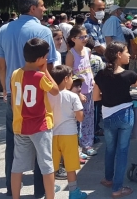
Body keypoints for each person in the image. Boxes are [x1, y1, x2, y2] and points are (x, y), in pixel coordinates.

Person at [0, 0, 59, 197]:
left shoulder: (4, 29)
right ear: (33, 7)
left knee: (14, 144)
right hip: (38, 94)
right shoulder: (43, 31)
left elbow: (2, 63)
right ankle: (42, 191)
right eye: (42, 5)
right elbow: (47, 67)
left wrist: (4, 89)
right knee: (41, 147)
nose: (44, 8)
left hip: (14, 93)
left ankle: (11, 188)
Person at [10, 38, 60, 199]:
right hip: (41, 125)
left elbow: (13, 101)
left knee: (17, 165)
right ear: (40, 59)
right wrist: (45, 70)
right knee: (46, 164)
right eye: (45, 57)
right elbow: (55, 90)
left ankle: (15, 196)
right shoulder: (40, 76)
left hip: (20, 125)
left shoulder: (15, 74)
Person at [93, 42, 137, 198]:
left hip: (107, 115)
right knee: (122, 152)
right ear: (119, 55)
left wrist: (108, 94)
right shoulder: (129, 75)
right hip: (125, 116)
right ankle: (117, 188)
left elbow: (95, 97)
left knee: (110, 149)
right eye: (127, 52)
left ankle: (108, 179)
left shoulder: (101, 75)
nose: (129, 55)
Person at [47, 65, 88, 199]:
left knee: (52, 166)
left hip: (52, 134)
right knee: (70, 165)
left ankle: (50, 191)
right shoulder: (73, 96)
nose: (72, 80)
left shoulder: (48, 95)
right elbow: (80, 117)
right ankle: (74, 192)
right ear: (66, 79)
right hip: (69, 134)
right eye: (71, 77)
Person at [66, 25, 97, 156]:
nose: (85, 39)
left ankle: (87, 144)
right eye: (81, 37)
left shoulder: (88, 51)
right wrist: (77, 92)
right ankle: (77, 147)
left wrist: (94, 82)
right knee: (78, 118)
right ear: (73, 39)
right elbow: (69, 75)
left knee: (89, 118)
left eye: (86, 36)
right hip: (78, 92)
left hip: (89, 88)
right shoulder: (71, 54)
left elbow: (88, 68)